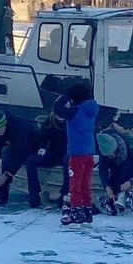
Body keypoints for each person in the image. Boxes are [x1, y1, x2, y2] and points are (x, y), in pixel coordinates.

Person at [53, 82, 99, 225]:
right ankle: (87, 211)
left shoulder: (75, 112)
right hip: (89, 152)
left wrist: (65, 96)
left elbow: (57, 109)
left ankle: (75, 212)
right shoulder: (91, 109)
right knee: (86, 183)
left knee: (75, 184)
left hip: (77, 154)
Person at [0, 109, 39, 206]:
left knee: (7, 151)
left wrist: (6, 176)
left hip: (30, 147)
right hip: (10, 144)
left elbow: (19, 154)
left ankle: (4, 189)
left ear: (4, 123)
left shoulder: (18, 127)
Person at [96, 122, 133, 215]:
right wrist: (107, 186)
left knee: (124, 171)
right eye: (108, 156)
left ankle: (123, 194)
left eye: (111, 155)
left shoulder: (131, 142)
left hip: (131, 162)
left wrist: (131, 181)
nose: (110, 157)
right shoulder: (104, 149)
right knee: (113, 180)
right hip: (116, 166)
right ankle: (113, 198)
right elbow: (103, 169)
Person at [23, 112, 67, 208]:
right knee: (31, 161)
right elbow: (43, 137)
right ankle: (34, 194)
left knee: (67, 162)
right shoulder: (50, 121)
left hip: (68, 153)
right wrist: (42, 148)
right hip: (53, 154)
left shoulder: (71, 120)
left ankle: (64, 194)